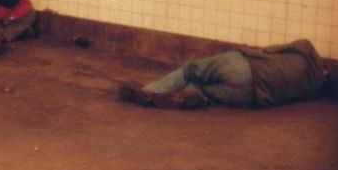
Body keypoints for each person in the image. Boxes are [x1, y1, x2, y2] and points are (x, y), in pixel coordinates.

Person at [118, 39, 326, 109]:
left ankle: (149, 90)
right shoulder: (312, 90)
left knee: (192, 70)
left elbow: (271, 51)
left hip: (244, 66)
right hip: (250, 95)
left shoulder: (306, 50)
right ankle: (189, 97)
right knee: (202, 89)